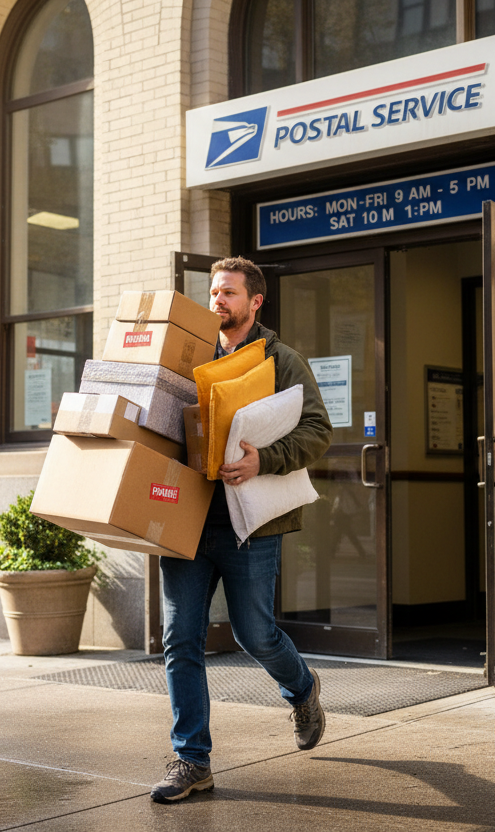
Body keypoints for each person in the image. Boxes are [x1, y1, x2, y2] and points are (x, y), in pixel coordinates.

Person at [151, 257, 334, 803]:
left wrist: (264, 459)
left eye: (228, 293)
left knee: (254, 634)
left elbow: (319, 429)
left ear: (255, 301)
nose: (217, 301)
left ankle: (302, 688)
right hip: (186, 521)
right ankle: (192, 759)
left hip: (249, 524)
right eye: (213, 292)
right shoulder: (190, 357)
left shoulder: (281, 361)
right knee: (180, 639)